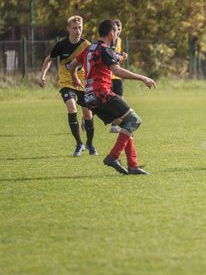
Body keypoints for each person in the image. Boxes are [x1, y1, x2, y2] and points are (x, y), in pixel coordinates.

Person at [69, 19, 156, 175]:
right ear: (111, 33)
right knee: (134, 120)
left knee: (126, 126)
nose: (117, 35)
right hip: (102, 93)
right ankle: (113, 157)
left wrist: (74, 77)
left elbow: (73, 64)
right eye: (116, 31)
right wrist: (142, 78)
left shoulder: (89, 48)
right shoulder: (105, 49)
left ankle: (133, 165)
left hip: (90, 98)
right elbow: (117, 71)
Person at [38, 15, 96, 156]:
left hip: (82, 82)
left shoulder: (87, 45)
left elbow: (93, 64)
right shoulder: (61, 45)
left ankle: (89, 143)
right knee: (71, 108)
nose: (77, 31)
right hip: (66, 81)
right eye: (74, 28)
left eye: (80, 28)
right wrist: (42, 75)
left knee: (87, 114)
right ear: (69, 29)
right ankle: (79, 144)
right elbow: (48, 59)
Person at [109, 19, 128, 134]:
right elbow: (111, 57)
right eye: (116, 29)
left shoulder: (119, 40)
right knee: (108, 101)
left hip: (117, 76)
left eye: (119, 29)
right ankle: (87, 117)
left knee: (120, 99)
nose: (118, 31)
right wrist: (120, 57)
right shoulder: (109, 41)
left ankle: (114, 125)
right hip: (108, 75)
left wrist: (122, 57)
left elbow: (116, 57)